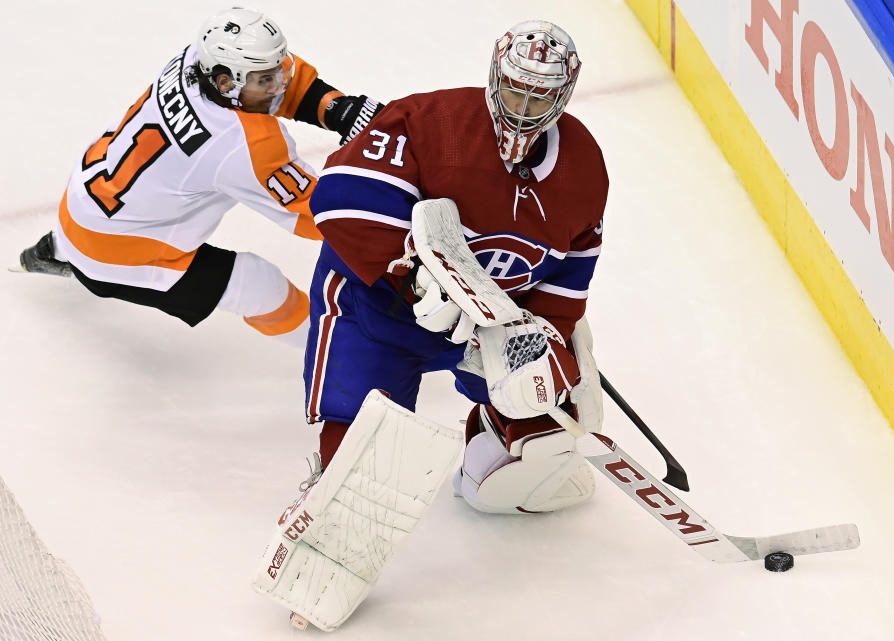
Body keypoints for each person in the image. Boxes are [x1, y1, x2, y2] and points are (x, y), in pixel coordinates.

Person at [252, 20, 608, 630]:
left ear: (564, 92)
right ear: (495, 78)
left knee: (549, 421)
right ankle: (328, 527)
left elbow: (568, 273)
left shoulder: (584, 166)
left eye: (539, 95)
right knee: (362, 455)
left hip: (483, 326)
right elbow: (337, 198)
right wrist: (410, 276)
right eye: (515, 89)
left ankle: (490, 470)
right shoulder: (429, 121)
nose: (523, 107)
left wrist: (545, 342)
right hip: (377, 309)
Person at [18, 7, 382, 345]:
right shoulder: (245, 144)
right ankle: (335, 353)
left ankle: (57, 248)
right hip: (116, 252)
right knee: (259, 285)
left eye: (278, 71)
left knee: (132, 207)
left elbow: (269, 77)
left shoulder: (195, 57)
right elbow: (321, 217)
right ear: (225, 84)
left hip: (82, 200)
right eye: (266, 79)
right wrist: (390, 192)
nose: (279, 84)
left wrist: (336, 109)